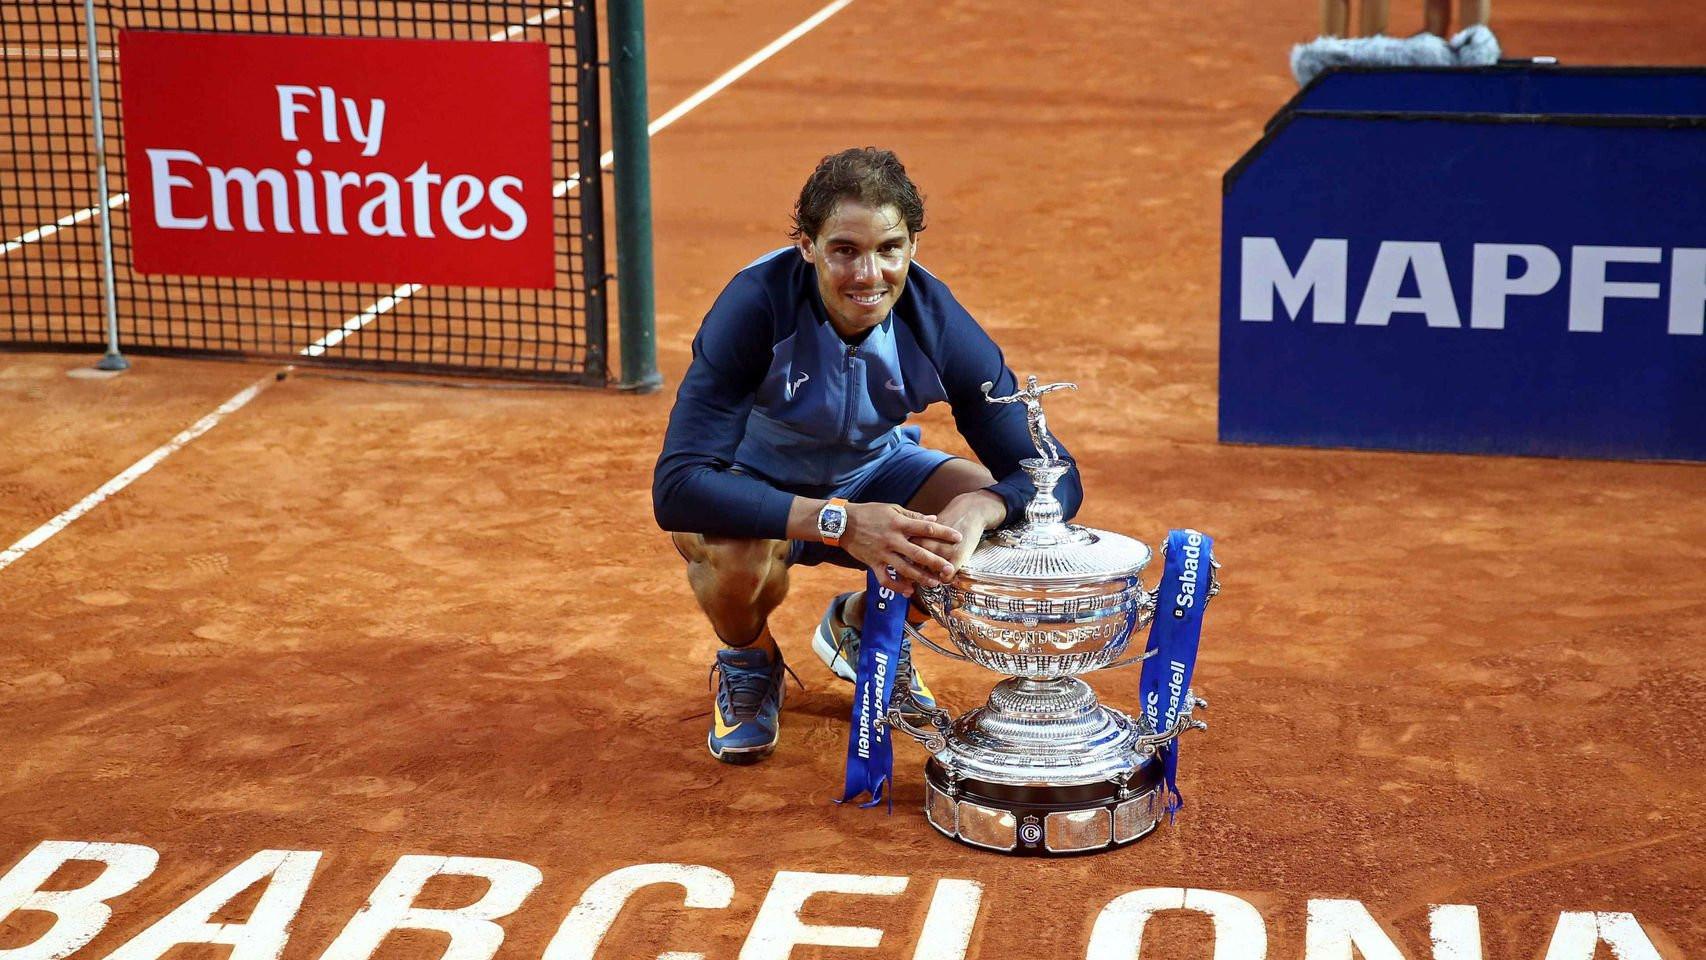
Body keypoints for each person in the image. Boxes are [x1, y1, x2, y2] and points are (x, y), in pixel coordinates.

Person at [653, 147, 1083, 764]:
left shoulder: (936, 322)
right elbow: (679, 487)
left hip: (878, 471)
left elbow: (1050, 477)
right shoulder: (755, 307)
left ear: (911, 245)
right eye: (845, 250)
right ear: (807, 245)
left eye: (889, 248)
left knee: (997, 524)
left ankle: (864, 626)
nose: (869, 274)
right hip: (758, 483)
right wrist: (842, 521)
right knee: (734, 554)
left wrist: (979, 509)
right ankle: (750, 660)